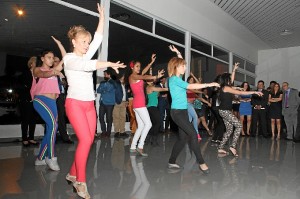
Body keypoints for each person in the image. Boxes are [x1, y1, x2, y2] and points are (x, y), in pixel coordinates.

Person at [61, 4, 125, 198]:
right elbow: (88, 64)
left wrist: (102, 17)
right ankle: (80, 182)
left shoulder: (86, 52)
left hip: (89, 105)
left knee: (88, 142)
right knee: (87, 139)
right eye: (83, 41)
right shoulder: (69, 58)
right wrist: (109, 63)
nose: (87, 45)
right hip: (74, 104)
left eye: (87, 41)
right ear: (73, 41)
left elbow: (98, 38)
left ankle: (72, 173)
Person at [167, 45, 219, 174]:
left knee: (182, 139)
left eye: (185, 65)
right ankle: (201, 163)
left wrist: (178, 53)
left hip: (183, 112)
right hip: (177, 113)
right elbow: (190, 85)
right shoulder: (173, 79)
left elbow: (180, 63)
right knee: (193, 135)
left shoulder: (177, 78)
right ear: (176, 67)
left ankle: (171, 161)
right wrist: (209, 84)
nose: (185, 67)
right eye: (183, 66)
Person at [32, 50, 64, 171]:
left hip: (52, 102)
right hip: (41, 100)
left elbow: (64, 59)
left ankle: (40, 158)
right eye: (49, 57)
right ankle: (51, 157)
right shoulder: (38, 70)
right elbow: (44, 75)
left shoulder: (54, 71)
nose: (51, 59)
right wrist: (55, 71)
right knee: (53, 126)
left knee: (52, 128)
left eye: (52, 58)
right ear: (42, 59)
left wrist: (61, 45)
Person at [217, 73, 263, 157]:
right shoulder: (226, 88)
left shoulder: (224, 87)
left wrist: (234, 70)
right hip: (225, 111)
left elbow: (233, 82)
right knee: (239, 125)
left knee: (229, 130)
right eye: (229, 79)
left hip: (224, 111)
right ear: (227, 80)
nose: (231, 80)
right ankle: (233, 146)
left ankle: (220, 147)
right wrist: (255, 92)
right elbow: (238, 92)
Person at [129, 54, 164, 156]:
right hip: (139, 104)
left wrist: (151, 62)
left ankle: (132, 147)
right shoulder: (132, 76)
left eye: (139, 66)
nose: (139, 68)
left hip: (137, 104)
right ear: (132, 67)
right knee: (148, 124)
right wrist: (156, 76)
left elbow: (144, 72)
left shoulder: (137, 76)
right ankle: (140, 146)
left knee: (140, 126)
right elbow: (144, 76)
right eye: (137, 66)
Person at [53, 56, 73, 144]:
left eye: (58, 61)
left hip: (61, 97)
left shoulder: (61, 73)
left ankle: (64, 137)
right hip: (53, 97)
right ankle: (52, 137)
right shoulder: (50, 73)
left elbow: (65, 85)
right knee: (52, 117)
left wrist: (64, 84)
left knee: (61, 117)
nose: (58, 63)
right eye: (56, 61)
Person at [19, 56, 38, 146]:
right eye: (35, 62)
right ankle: (24, 139)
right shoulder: (25, 73)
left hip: (35, 101)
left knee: (32, 120)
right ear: (31, 64)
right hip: (26, 100)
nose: (36, 64)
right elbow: (21, 87)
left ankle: (31, 138)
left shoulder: (38, 74)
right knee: (25, 120)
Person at [146, 80, 168, 146]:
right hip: (152, 107)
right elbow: (162, 89)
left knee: (154, 124)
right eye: (150, 79)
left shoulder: (153, 88)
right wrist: (172, 87)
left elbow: (158, 93)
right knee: (158, 123)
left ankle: (148, 139)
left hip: (153, 107)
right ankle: (153, 140)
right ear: (147, 82)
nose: (151, 80)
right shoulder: (149, 87)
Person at [97, 69, 116, 138]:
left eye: (105, 74)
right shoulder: (102, 82)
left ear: (109, 75)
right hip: (102, 103)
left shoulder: (113, 82)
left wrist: (103, 89)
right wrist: (104, 89)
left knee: (109, 118)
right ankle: (103, 132)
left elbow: (108, 89)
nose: (104, 76)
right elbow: (98, 90)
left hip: (110, 103)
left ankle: (108, 133)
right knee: (101, 117)